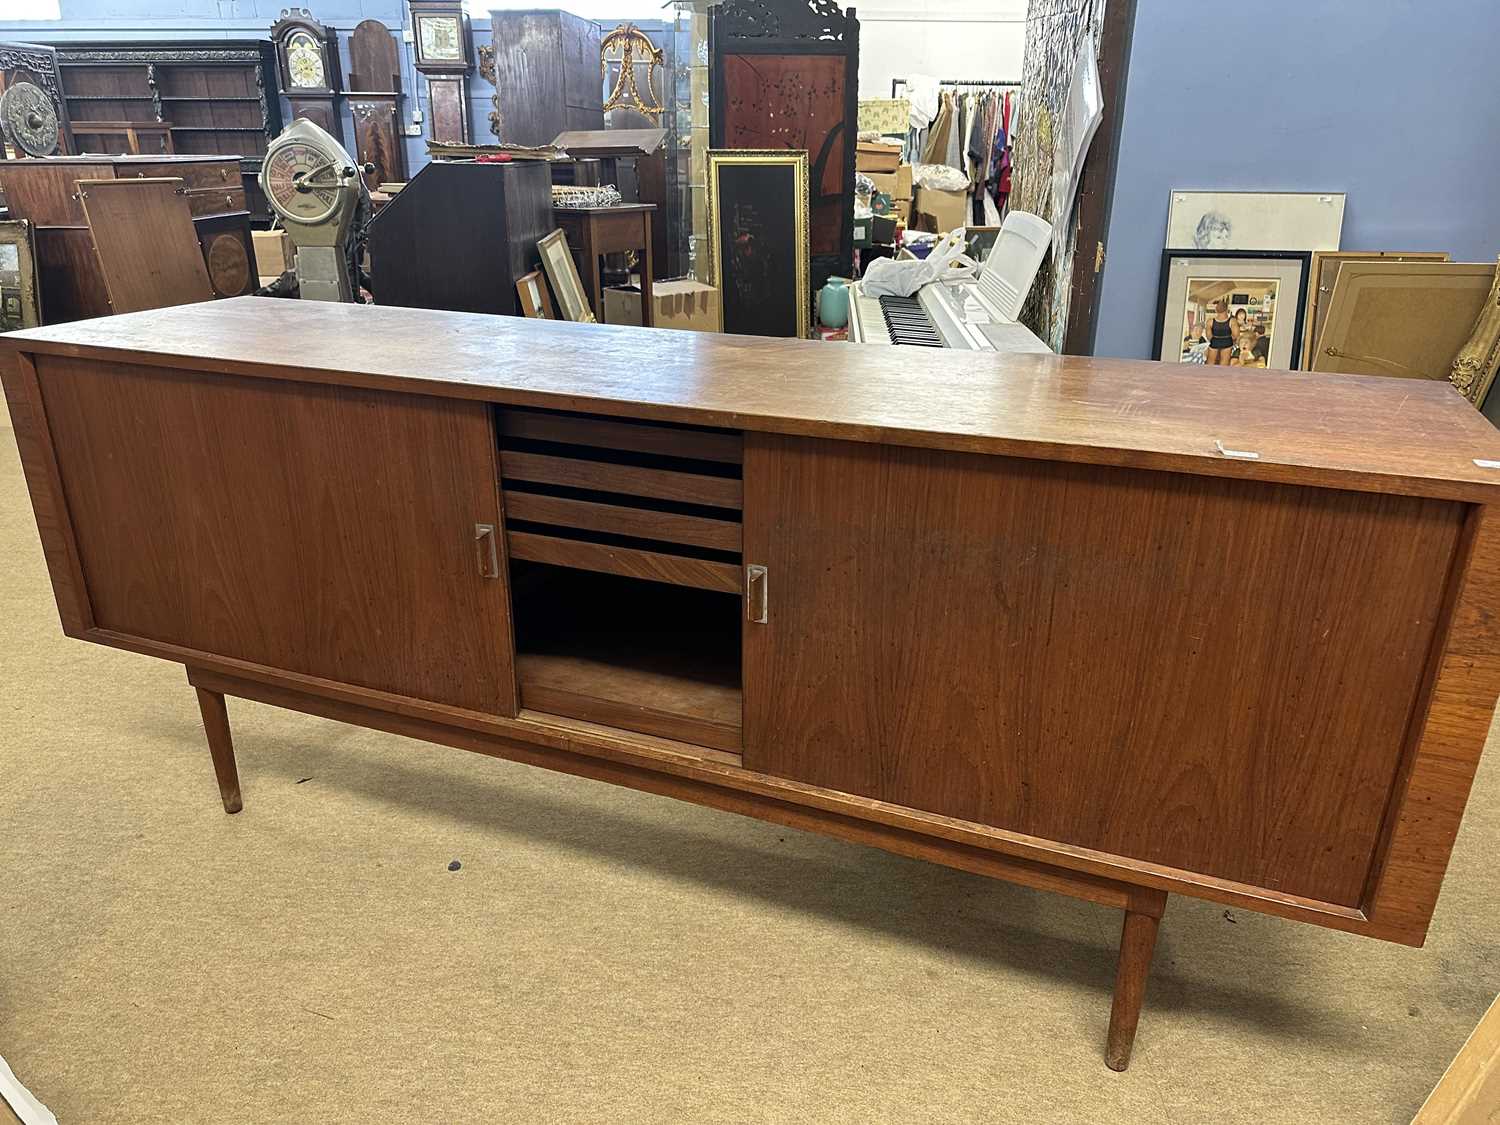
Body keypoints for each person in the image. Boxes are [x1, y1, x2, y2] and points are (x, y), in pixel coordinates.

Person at [1205, 299, 1235, 365]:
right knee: (1224, 364)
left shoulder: (1210, 321)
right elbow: (1235, 335)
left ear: (1216, 310)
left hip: (1215, 342)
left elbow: (1208, 336)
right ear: (1227, 310)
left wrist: (1215, 340)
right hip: (1227, 342)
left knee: (1210, 363)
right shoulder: (1232, 321)